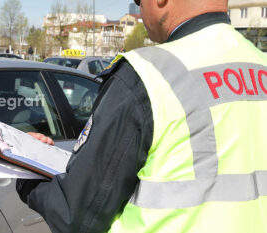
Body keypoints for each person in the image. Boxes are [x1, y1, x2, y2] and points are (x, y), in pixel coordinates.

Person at [17, 0, 267, 232]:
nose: (140, 10)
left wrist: (25, 175)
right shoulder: (260, 63)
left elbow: (75, 217)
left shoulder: (148, 74)